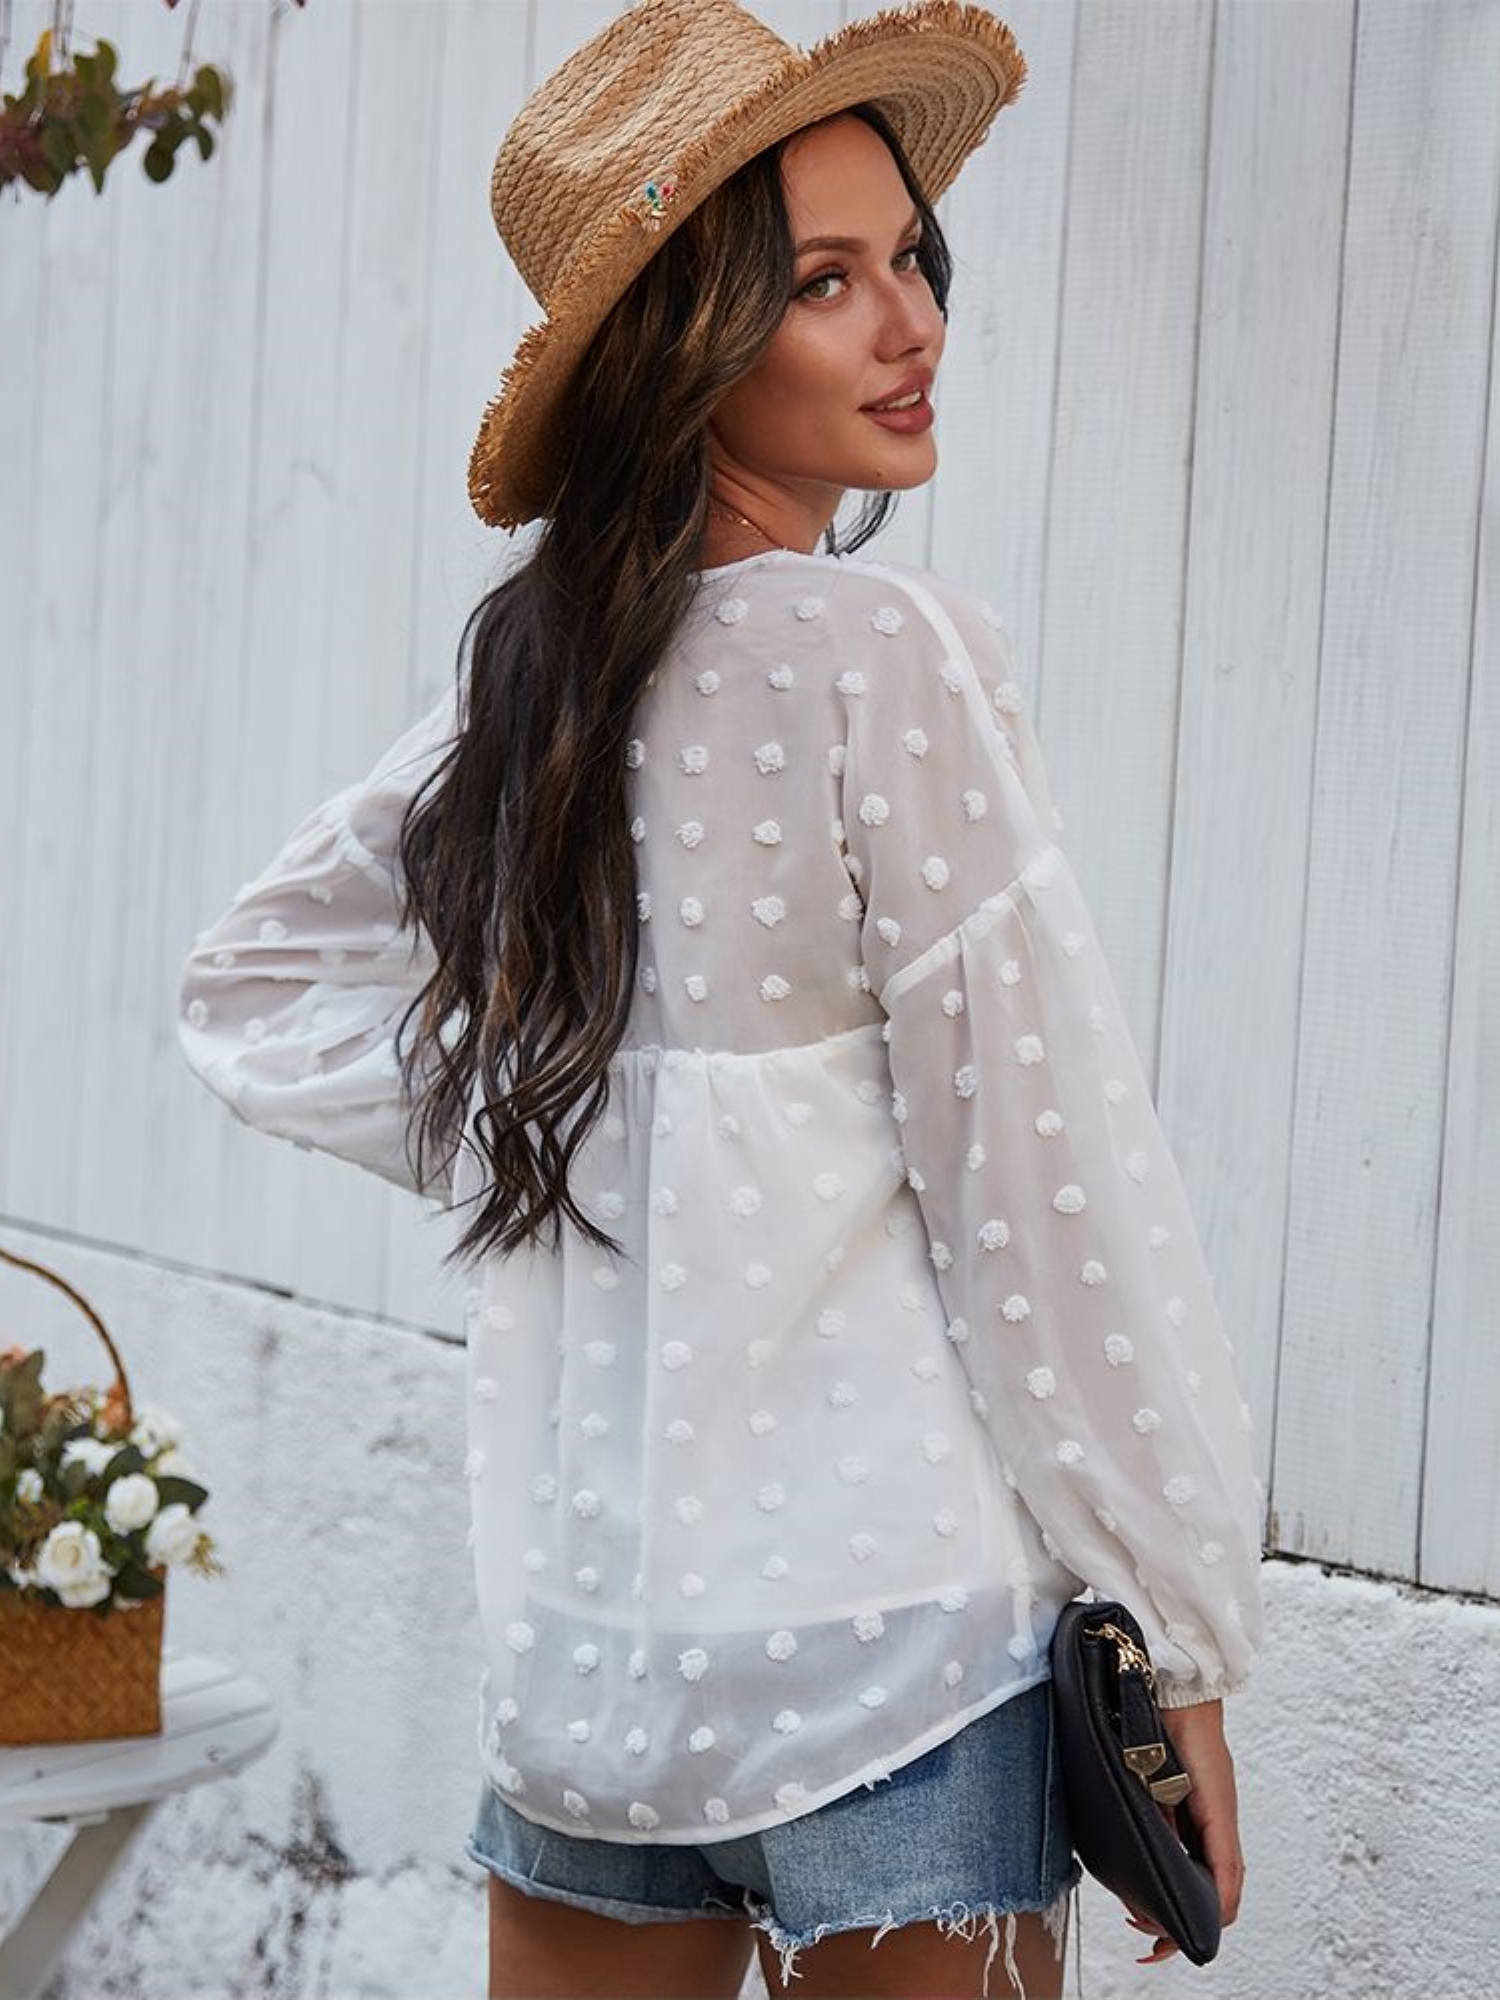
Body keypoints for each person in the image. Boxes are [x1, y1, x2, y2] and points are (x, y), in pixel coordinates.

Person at [174, 3, 1265, 1996]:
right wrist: (1178, 1632)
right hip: (899, 1650)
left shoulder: (540, 683)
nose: (910, 325)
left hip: (598, 1659)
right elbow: (1047, 1195)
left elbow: (250, 988)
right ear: (684, 344)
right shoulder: (885, 655)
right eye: (821, 283)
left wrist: (556, 1101)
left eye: (907, 258)